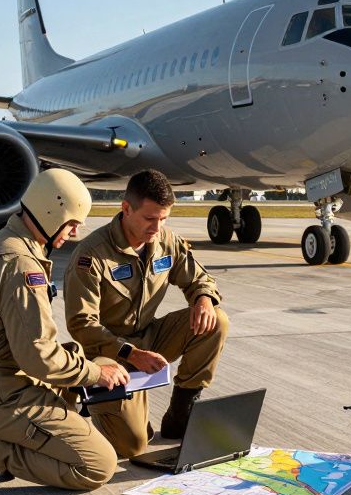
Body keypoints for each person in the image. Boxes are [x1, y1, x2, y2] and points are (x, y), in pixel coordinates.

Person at [0, 168, 131, 494]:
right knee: (97, 464)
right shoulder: (20, 264)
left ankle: (12, 437)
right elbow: (38, 356)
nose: (75, 232)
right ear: (51, 211)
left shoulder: (9, 244)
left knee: (80, 357)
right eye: (71, 223)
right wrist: (97, 374)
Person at [63, 169, 228, 458]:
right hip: (107, 352)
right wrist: (131, 353)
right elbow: (81, 324)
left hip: (148, 338)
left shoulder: (165, 240)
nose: (157, 227)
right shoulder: (92, 254)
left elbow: (198, 278)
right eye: (150, 218)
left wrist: (203, 298)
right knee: (133, 447)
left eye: (164, 219)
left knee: (216, 321)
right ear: (126, 209)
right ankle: (89, 399)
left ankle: (181, 415)